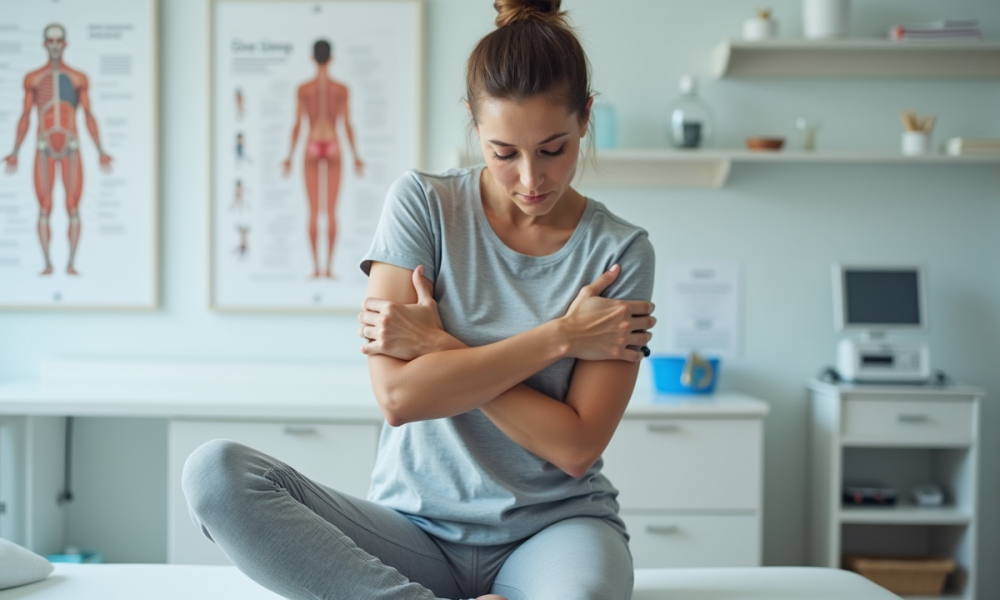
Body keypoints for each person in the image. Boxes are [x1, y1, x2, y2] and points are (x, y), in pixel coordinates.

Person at [182, 2, 655, 599]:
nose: (531, 179)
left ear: (586, 117)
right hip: (414, 530)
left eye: (553, 149)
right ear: (474, 125)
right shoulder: (421, 206)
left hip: (555, 530)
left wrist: (440, 349)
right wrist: (559, 337)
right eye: (504, 152)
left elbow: (576, 447)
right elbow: (400, 397)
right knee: (215, 474)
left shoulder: (621, 252)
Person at [3, 23, 113, 276]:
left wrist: (100, 149)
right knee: (44, 206)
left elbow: (88, 114)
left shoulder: (78, 78)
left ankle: (72, 263)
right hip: (43, 147)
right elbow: (25, 116)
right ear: (44, 44)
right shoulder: (33, 78)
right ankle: (47, 264)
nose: (54, 45)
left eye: (58, 41)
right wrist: (15, 150)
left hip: (71, 147)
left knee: (73, 205)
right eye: (50, 41)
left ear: (64, 44)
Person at [281, 39, 365, 279]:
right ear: (331, 58)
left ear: (312, 58)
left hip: (311, 145)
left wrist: (289, 156)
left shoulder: (303, 89)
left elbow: (297, 124)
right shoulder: (341, 89)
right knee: (330, 211)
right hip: (333, 145)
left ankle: (316, 269)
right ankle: (328, 269)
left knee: (313, 211)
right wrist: (356, 156)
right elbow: (347, 124)